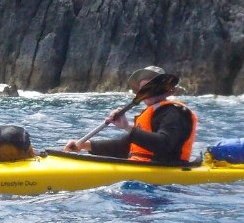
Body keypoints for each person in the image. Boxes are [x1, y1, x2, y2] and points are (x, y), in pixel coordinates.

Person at [63, 65, 197, 164]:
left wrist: (128, 127)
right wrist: (84, 145)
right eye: (143, 89)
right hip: (143, 168)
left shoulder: (174, 113)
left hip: (167, 176)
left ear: (164, 90)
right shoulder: (153, 113)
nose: (146, 92)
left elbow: (164, 143)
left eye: (151, 88)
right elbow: (124, 146)